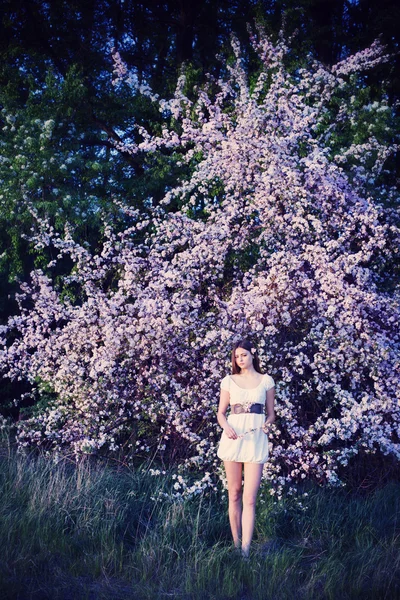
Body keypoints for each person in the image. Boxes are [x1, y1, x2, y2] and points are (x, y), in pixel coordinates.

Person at [217, 339, 275, 557]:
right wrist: (226, 427)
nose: (240, 360)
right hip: (233, 437)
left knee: (249, 498)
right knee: (234, 493)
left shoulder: (266, 380)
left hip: (255, 439)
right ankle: (235, 543)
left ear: (253, 354)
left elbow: (271, 413)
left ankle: (245, 552)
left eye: (243, 355)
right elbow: (221, 413)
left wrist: (268, 424)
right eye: (236, 357)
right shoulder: (229, 381)